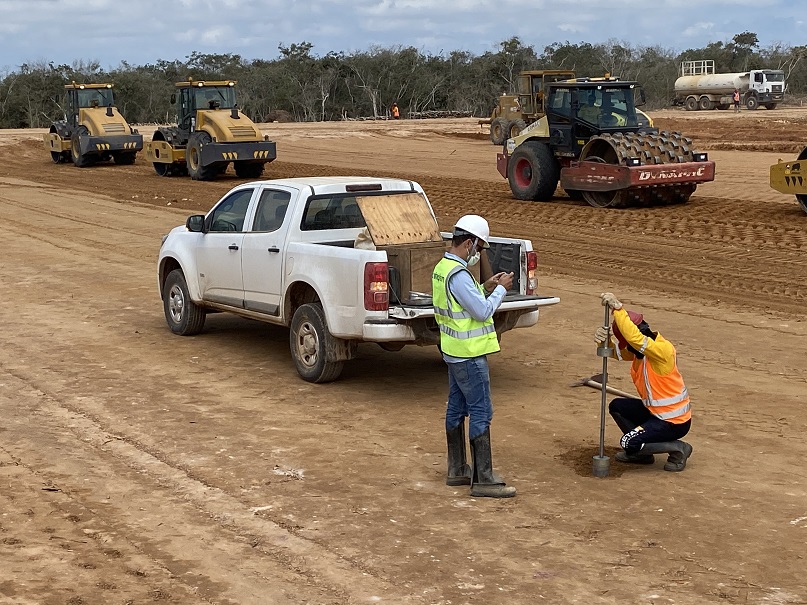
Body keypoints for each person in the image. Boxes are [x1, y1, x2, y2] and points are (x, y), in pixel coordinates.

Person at [432, 215, 516, 498]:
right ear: (469, 243)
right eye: (478, 249)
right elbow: (481, 312)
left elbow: (463, 303)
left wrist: (485, 287)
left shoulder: (443, 269)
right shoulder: (459, 274)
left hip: (453, 353)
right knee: (481, 411)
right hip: (470, 356)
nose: (478, 254)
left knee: (456, 408)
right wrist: (501, 290)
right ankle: (484, 478)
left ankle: (457, 470)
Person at [595, 292, 693, 472]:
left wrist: (618, 310)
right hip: (656, 414)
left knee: (627, 442)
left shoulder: (661, 350)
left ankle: (679, 448)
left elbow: (634, 339)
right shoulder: (639, 352)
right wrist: (605, 341)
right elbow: (615, 352)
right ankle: (642, 453)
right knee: (617, 406)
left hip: (674, 422)